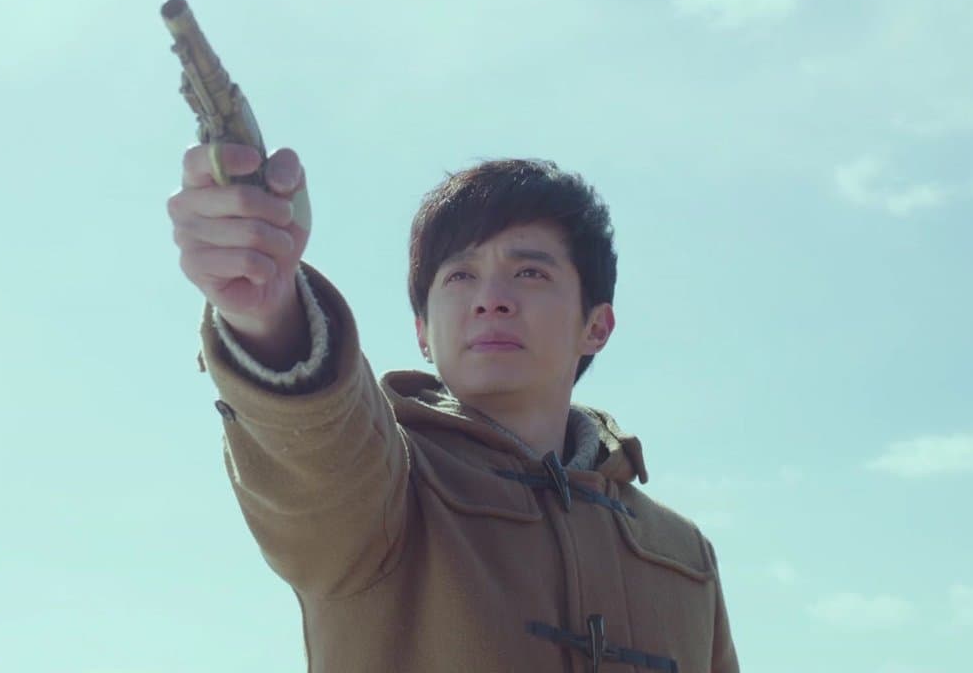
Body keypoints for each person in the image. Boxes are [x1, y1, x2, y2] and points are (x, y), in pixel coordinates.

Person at [167, 143, 740, 672]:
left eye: (530, 272)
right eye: (461, 275)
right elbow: (318, 449)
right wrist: (268, 311)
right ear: (423, 331)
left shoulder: (684, 554)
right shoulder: (386, 491)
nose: (491, 299)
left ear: (596, 326)